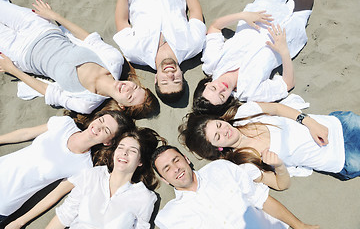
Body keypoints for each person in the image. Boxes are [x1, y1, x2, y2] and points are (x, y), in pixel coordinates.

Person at [0, 0, 159, 118]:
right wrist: (53, 15)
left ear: (122, 105)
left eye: (130, 97)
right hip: (41, 29)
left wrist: (12, 69)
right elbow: (87, 38)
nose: (128, 88)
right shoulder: (114, 60)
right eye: (135, 87)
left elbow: (48, 91)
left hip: (22, 54)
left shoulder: (85, 102)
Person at [4, 127, 165, 229]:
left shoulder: (145, 198)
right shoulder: (92, 175)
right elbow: (64, 216)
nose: (124, 153)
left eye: (132, 151)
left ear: (140, 162)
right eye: (121, 148)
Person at [193, 0, 317, 116]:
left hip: (265, 7)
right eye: (222, 96)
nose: (221, 88)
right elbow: (287, 84)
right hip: (291, 27)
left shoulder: (212, 64)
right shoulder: (251, 93)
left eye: (213, 88)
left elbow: (215, 27)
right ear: (226, 102)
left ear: (207, 84)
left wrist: (243, 16)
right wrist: (284, 51)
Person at [0, 110, 135, 224]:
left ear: (108, 142)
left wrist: (19, 222)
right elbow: (26, 134)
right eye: (101, 120)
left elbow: (54, 196)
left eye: (106, 130)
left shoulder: (84, 168)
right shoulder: (65, 124)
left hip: (4, 203)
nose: (99, 127)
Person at [180, 100, 360, 181]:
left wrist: (309, 122)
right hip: (341, 159)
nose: (224, 130)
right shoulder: (245, 163)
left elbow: (276, 109)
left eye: (218, 125)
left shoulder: (244, 114)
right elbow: (280, 184)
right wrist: (280, 167)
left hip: (336, 125)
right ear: (217, 148)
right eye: (217, 136)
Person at [151, 145, 319, 229]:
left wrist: (300, 226)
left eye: (176, 160)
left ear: (186, 159)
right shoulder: (169, 218)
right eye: (167, 169)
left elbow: (262, 200)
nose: (176, 168)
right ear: (165, 180)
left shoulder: (220, 169)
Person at [114, 0, 206, 103]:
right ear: (182, 76)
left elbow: (122, 21)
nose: (170, 75)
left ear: (156, 79)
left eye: (164, 82)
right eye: (176, 80)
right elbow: (195, 11)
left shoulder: (134, 52)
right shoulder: (194, 45)